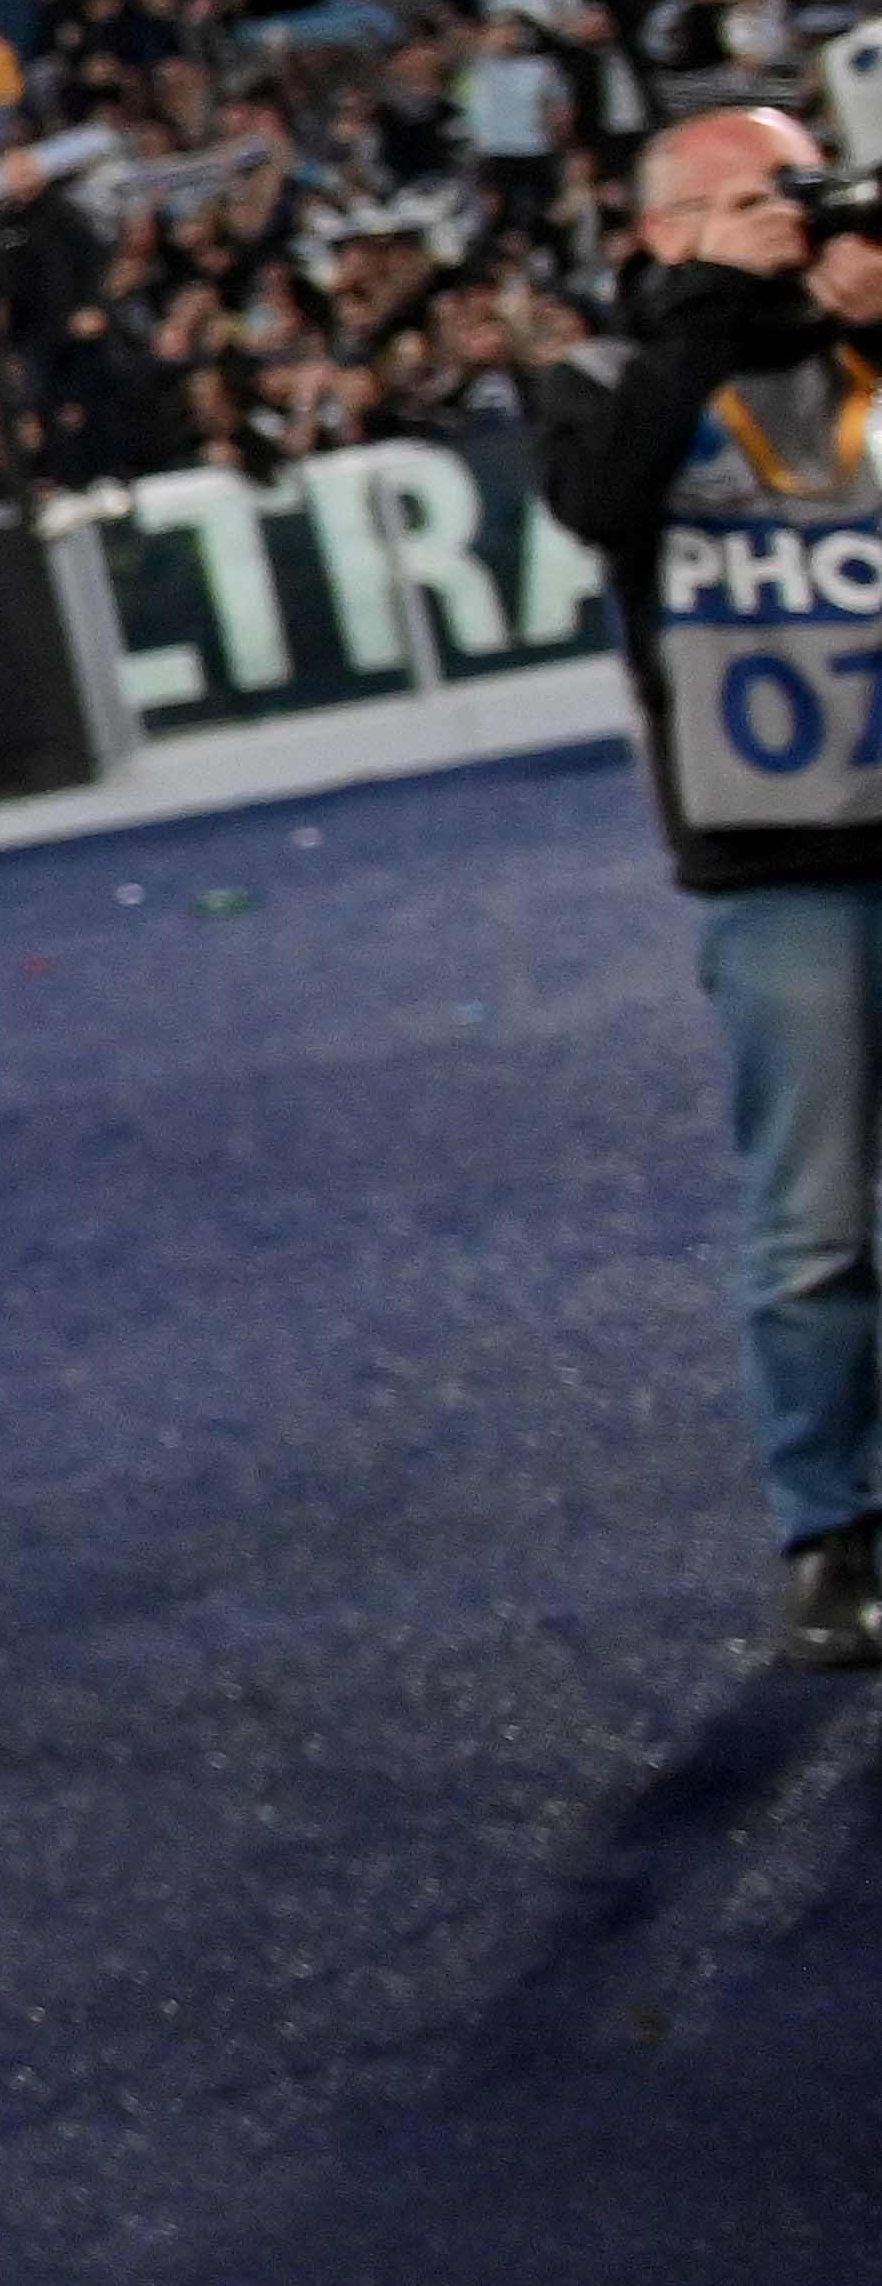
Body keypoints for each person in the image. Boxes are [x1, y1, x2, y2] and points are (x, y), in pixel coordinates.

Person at [533, 107, 882, 1670]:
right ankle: (833, 1532)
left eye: (794, 199)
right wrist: (704, 313)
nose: (785, 229)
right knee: (811, 1224)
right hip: (779, 863)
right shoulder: (616, 374)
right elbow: (605, 497)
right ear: (666, 229)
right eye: (749, 205)